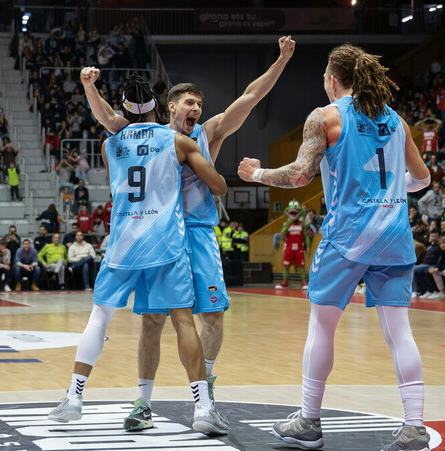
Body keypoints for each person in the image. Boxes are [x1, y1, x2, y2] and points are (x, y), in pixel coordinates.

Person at [80, 35, 295, 431]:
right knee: (152, 322)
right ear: (172, 107)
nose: (197, 108)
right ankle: (142, 403)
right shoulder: (155, 136)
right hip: (160, 236)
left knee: (212, 315)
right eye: (190, 103)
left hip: (197, 234)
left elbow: (249, 97)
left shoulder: (208, 133)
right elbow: (110, 120)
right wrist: (90, 86)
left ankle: (205, 390)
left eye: (200, 103)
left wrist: (281, 60)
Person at [238, 44, 431, 450]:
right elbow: (422, 178)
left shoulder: (326, 116)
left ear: (331, 80)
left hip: (348, 235)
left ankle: (308, 420)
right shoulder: (396, 120)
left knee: (321, 327)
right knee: (399, 332)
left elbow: (299, 175)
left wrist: (257, 174)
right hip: (395, 235)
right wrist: (395, 190)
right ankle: (414, 426)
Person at [48, 74, 228, 436]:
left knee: (99, 318)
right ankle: (203, 408)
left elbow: (110, 121)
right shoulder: (177, 141)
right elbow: (219, 186)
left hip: (123, 244)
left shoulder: (109, 145)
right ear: (159, 109)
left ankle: (74, 398)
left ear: (126, 111)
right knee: (182, 322)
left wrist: (88, 87)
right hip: (166, 243)